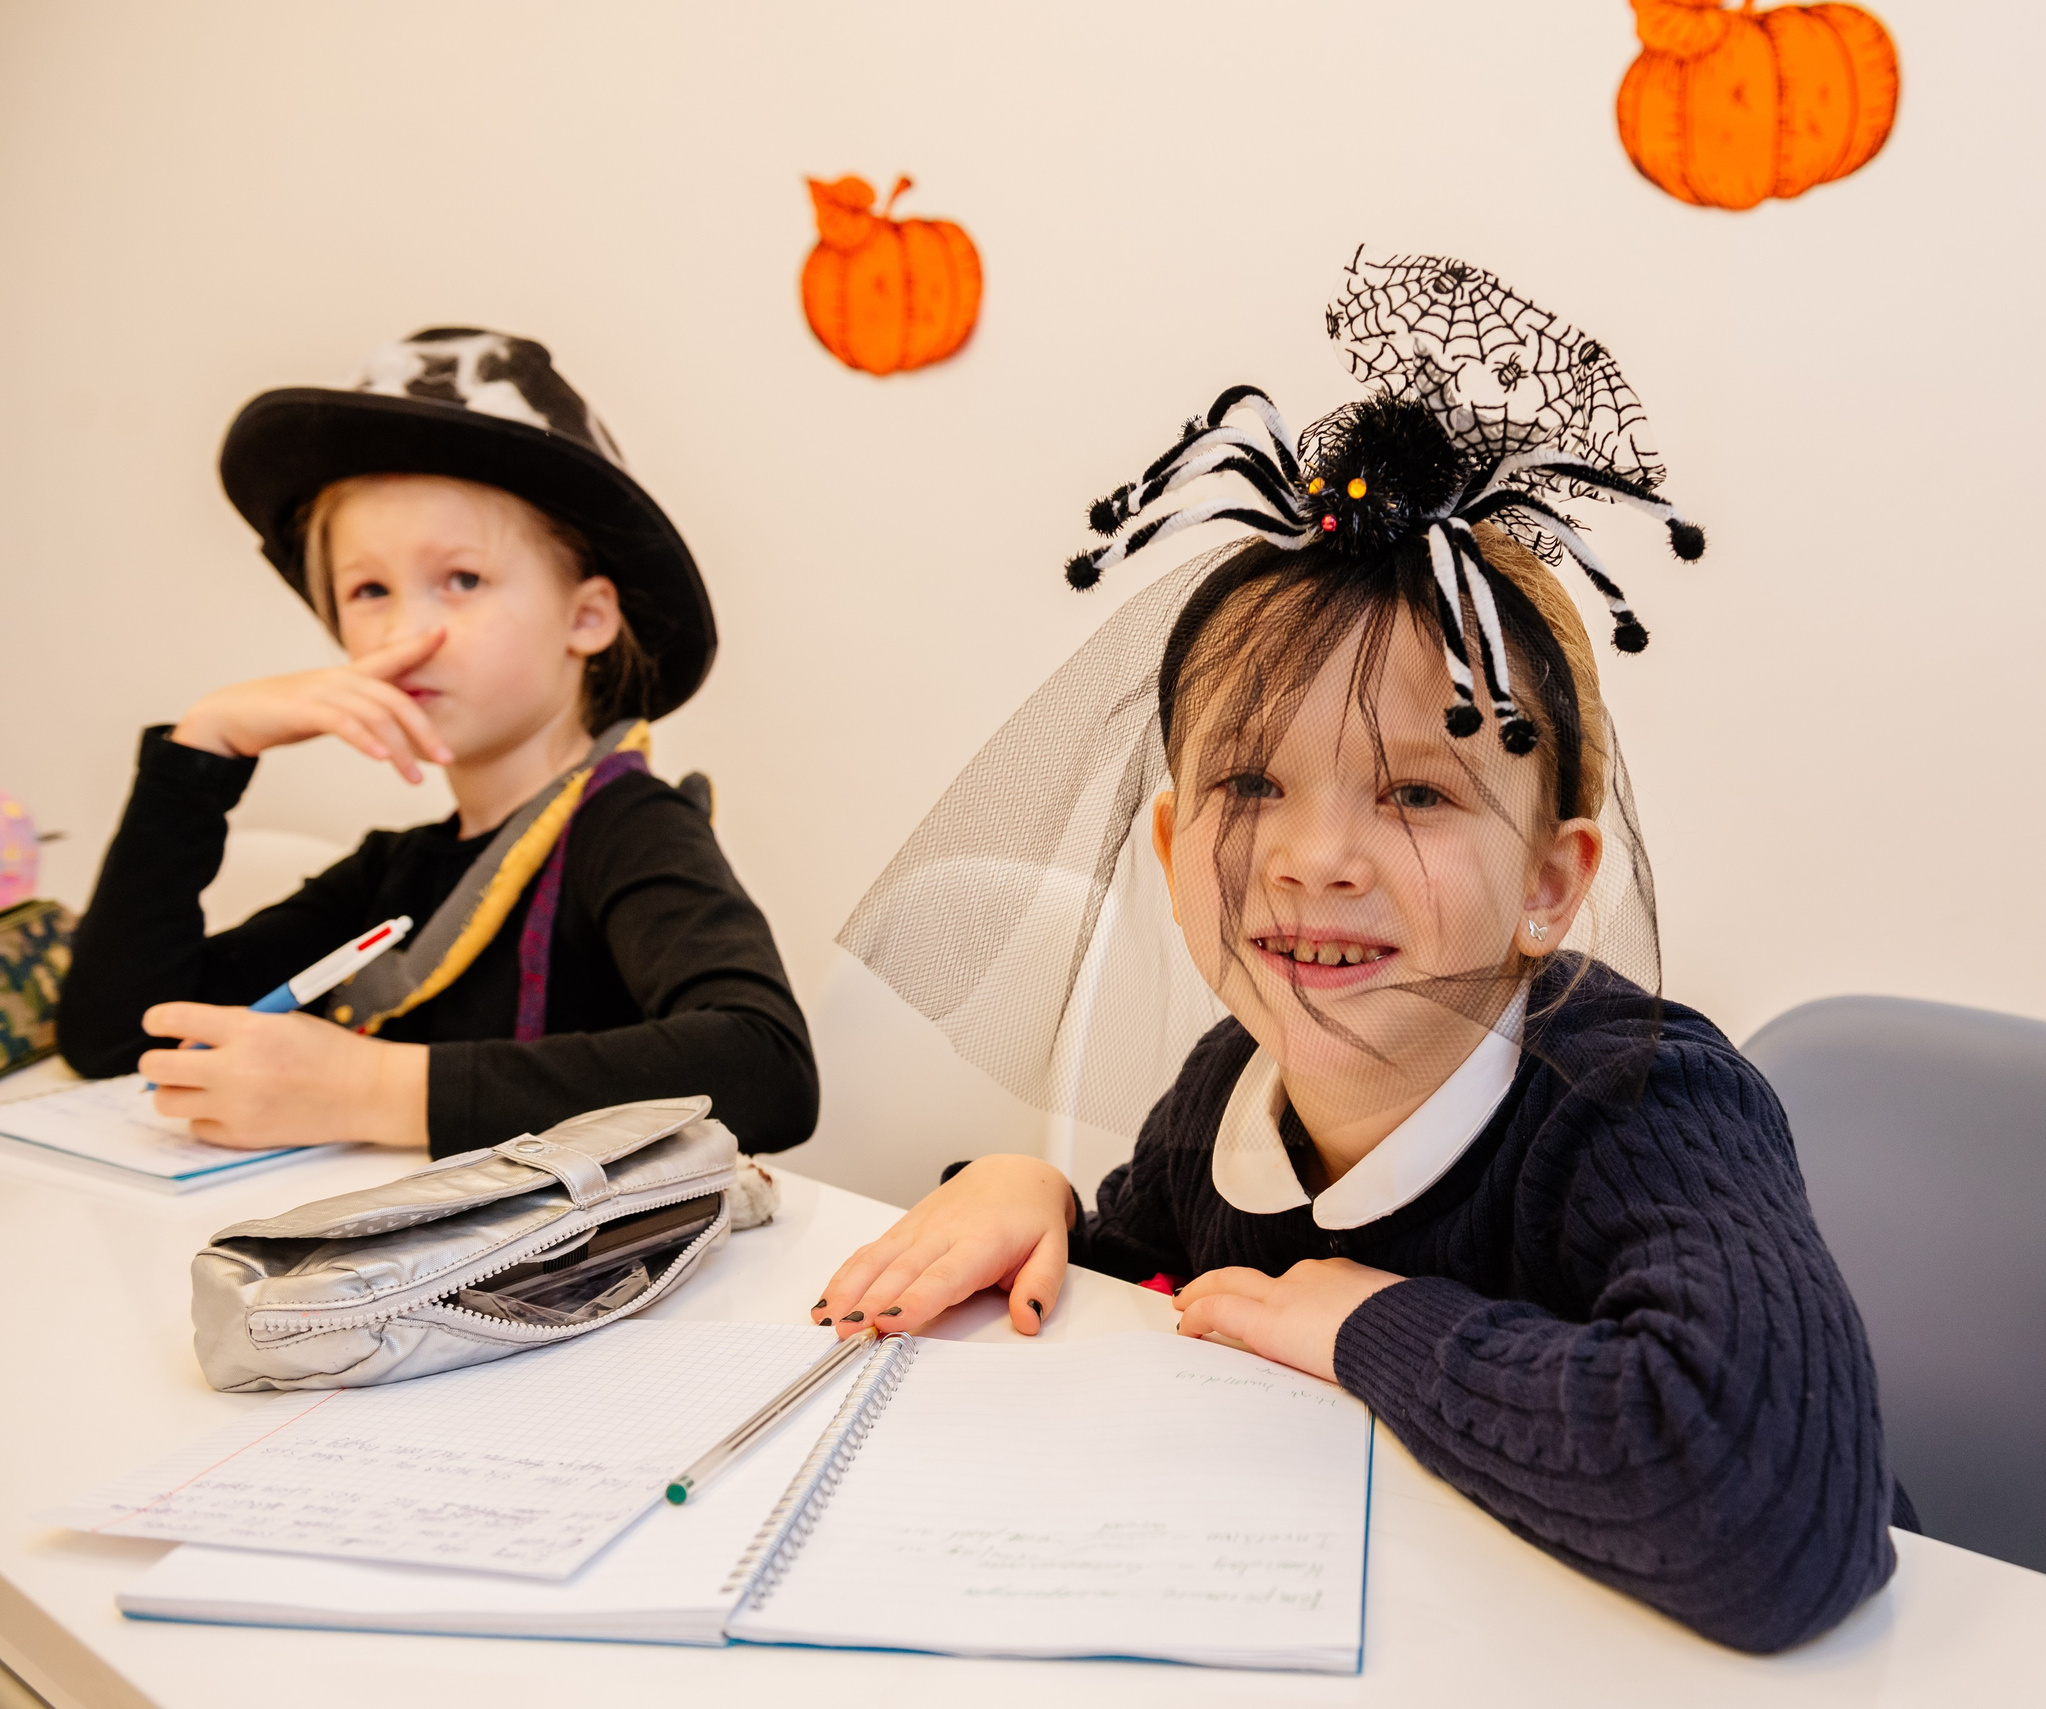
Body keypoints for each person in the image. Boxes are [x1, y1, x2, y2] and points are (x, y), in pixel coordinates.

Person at [810, 254, 1902, 1652]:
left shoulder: (1643, 1101)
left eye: (1417, 792)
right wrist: (1035, 1202)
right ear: (1165, 847)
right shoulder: (1231, 1089)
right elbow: (1173, 1296)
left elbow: (1771, 1517)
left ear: (1549, 884)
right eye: (1251, 785)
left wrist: (1364, 1325)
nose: (1312, 857)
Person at [59, 328, 817, 1158]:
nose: (408, 631)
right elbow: (112, 1038)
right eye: (369, 589)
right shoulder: (396, 872)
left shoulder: (629, 826)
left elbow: (766, 1067)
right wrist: (205, 749)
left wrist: (367, 1087)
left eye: (462, 579)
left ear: (587, 616)